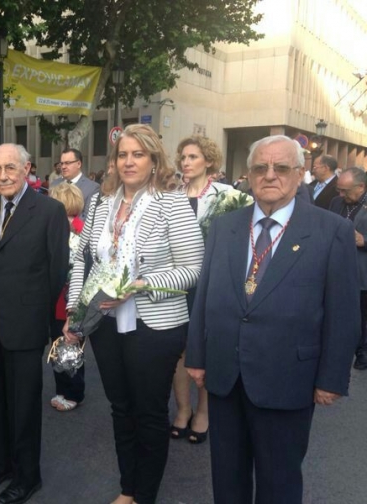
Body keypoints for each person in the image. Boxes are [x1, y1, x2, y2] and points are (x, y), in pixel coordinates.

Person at [185, 135, 361, 504]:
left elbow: (343, 313)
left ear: (299, 175)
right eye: (260, 168)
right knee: (227, 478)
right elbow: (205, 296)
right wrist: (197, 356)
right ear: (248, 175)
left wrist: (331, 378)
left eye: (281, 168)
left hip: (288, 379)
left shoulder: (332, 231)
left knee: (278, 482)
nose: (270, 175)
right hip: (225, 375)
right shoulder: (224, 226)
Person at [65, 124, 204, 504]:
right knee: (120, 408)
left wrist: (140, 285)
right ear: (114, 161)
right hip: (105, 324)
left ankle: (145, 495)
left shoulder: (172, 202)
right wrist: (76, 310)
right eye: (123, 155)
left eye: (138, 154)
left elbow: (193, 269)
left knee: (149, 411)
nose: (129, 161)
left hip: (155, 324)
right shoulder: (99, 203)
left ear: (154, 160)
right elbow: (83, 260)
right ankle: (128, 489)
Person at [0, 144, 69, 504]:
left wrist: (36, 312)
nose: (2, 175)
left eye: (10, 167)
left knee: (24, 404)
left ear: (27, 168)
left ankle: (27, 476)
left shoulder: (49, 210)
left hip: (24, 321)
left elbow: (57, 270)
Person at [170, 135, 232, 444]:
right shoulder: (170, 194)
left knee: (204, 349)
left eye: (192, 156)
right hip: (177, 286)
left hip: (212, 284)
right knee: (178, 350)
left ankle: (204, 413)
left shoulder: (228, 195)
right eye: (183, 157)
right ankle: (182, 410)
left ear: (208, 161)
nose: (185, 162)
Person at [48, 183, 86, 412]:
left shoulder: (72, 232)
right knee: (63, 347)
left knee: (68, 347)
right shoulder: (77, 227)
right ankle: (65, 390)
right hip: (64, 299)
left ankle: (72, 392)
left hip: (67, 300)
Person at [329, 166, 367, 370]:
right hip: (336, 265)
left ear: (361, 186)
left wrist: (365, 241)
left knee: (361, 314)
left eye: (346, 191)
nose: (341, 195)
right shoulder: (337, 202)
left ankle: (363, 352)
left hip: (361, 269)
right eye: (339, 190)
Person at [50, 148, 100, 219]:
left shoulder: (92, 188)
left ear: (78, 164)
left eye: (67, 163)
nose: (63, 167)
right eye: (62, 163)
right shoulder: (54, 184)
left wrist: (67, 220)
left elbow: (87, 219)